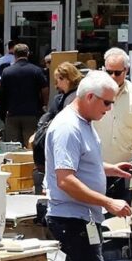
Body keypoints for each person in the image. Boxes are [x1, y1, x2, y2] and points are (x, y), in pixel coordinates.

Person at [43, 71, 132, 261]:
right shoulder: (68, 126)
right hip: (72, 219)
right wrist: (109, 202)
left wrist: (109, 169)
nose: (110, 109)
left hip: (82, 217)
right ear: (90, 96)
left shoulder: (83, 122)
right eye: (107, 102)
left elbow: (79, 162)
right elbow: (65, 179)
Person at [94, 48, 132, 197]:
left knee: (121, 217)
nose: (112, 77)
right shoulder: (93, 94)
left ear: (126, 70)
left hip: (125, 171)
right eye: (108, 72)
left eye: (117, 73)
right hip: (96, 168)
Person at [30, 62, 83, 192]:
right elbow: (49, 115)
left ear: (67, 78)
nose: (56, 84)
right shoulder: (60, 98)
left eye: (58, 79)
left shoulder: (75, 98)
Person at [0, 43, 48, 144]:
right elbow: (45, 89)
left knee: (13, 146)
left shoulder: (7, 72)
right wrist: (44, 105)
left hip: (12, 114)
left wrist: (2, 113)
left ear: (14, 55)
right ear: (28, 54)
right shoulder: (36, 70)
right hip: (32, 113)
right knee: (30, 145)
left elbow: (2, 94)